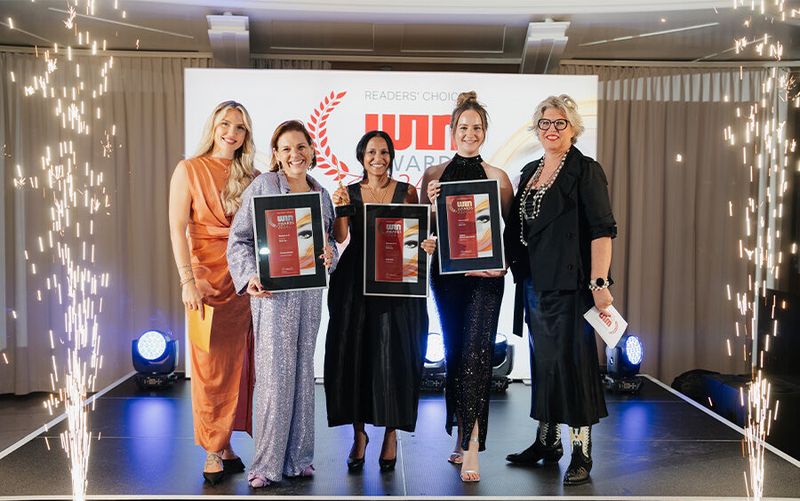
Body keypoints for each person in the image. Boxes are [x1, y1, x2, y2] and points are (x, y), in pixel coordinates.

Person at [503, 94, 617, 486]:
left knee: (574, 367)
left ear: (573, 128)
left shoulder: (586, 171)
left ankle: (581, 451)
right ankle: (547, 441)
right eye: (545, 123)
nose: (551, 129)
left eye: (559, 123)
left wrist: (599, 283)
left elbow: (602, 230)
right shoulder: (530, 170)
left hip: (571, 286)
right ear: (537, 128)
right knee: (545, 365)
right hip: (535, 285)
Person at [227, 120, 336, 488]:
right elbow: (239, 240)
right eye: (287, 148)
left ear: (312, 150)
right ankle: (265, 465)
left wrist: (328, 255)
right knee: (274, 378)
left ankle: (299, 458)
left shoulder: (321, 195)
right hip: (272, 296)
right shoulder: (262, 187)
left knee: (304, 373)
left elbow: (330, 246)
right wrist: (248, 278)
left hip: (308, 296)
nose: (295, 154)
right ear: (275, 154)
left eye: (301, 147)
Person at [325, 131, 436, 473]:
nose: (378, 157)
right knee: (354, 358)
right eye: (371, 152)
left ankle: (390, 435)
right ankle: (359, 435)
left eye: (384, 152)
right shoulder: (349, 190)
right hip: (354, 283)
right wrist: (341, 204)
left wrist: (427, 245)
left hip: (396, 284)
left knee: (396, 359)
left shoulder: (408, 192)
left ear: (391, 156)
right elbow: (341, 237)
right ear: (361, 156)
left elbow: (417, 235)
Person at [420, 91, 513, 482]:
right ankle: (460, 435)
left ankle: (474, 443)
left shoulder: (499, 178)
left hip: (485, 283)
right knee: (457, 355)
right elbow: (425, 232)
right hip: (446, 278)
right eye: (464, 127)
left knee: (477, 356)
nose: (470, 133)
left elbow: (510, 235)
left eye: (477, 127)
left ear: (485, 132)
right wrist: (427, 230)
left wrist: (501, 263)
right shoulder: (433, 176)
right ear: (452, 131)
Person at [168, 100, 256, 485]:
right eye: (225, 124)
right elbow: (176, 229)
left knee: (239, 368)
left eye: (239, 127)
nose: (231, 132)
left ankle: (225, 443)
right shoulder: (188, 170)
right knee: (209, 369)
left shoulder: (252, 176)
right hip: (204, 283)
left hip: (243, 283)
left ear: (245, 135)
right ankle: (211, 450)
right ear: (213, 127)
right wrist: (186, 280)